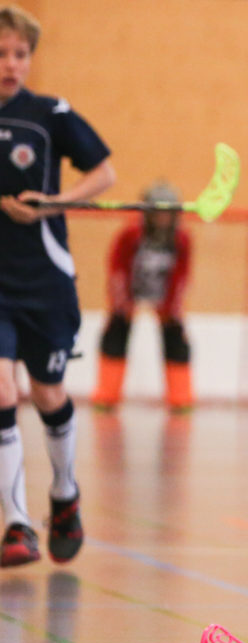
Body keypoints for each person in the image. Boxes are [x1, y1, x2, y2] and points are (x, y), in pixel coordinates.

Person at [0, 4, 114, 567]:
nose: (11, 64)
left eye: (20, 54)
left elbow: (104, 173)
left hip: (45, 281)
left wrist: (52, 204)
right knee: (1, 391)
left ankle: (64, 494)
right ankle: (18, 524)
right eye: (1, 54)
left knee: (47, 395)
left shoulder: (50, 114)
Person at [90, 180, 194, 412]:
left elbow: (182, 274)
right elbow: (117, 266)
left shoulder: (181, 238)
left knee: (177, 339)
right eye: (157, 212)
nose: (162, 218)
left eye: (167, 213)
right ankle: (106, 396)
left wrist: (174, 305)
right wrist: (121, 300)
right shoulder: (131, 234)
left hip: (165, 294)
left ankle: (181, 398)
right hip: (131, 291)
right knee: (115, 334)